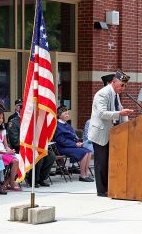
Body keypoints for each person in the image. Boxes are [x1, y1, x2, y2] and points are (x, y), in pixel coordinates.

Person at [88, 69, 133, 197]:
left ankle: (109, 187)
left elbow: (119, 109)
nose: (123, 88)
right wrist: (120, 113)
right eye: (122, 85)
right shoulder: (103, 94)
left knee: (109, 162)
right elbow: (102, 113)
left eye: (125, 86)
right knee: (101, 163)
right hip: (101, 133)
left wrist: (127, 122)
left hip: (112, 133)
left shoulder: (115, 94)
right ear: (114, 82)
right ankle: (101, 191)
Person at [7, 112, 55, 187]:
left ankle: (41, 178)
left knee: (51, 156)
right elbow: (15, 141)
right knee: (37, 156)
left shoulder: (32, 121)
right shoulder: (14, 122)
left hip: (34, 147)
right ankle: (32, 180)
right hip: (20, 149)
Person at [55, 107, 93, 182]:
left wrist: (77, 142)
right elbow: (61, 140)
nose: (67, 115)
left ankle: (86, 173)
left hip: (71, 146)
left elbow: (73, 136)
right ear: (59, 115)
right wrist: (75, 144)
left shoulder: (67, 125)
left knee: (88, 152)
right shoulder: (57, 125)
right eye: (65, 114)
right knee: (84, 153)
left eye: (68, 113)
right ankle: (82, 175)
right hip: (62, 147)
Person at [0, 109, 22, 191]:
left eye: (2, 118)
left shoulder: (3, 130)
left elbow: (6, 145)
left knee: (21, 159)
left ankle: (7, 182)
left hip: (4, 152)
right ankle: (11, 182)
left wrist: (10, 150)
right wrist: (5, 152)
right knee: (16, 161)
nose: (1, 120)